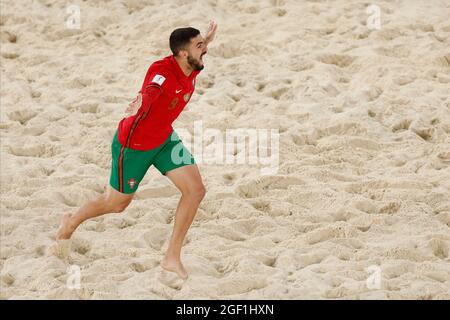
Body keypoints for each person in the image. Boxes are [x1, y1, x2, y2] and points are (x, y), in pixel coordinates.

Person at [52, 21, 218, 280]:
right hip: (134, 145)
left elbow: (197, 53)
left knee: (195, 190)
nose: (204, 50)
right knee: (116, 204)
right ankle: (70, 222)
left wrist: (204, 40)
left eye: (203, 46)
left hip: (164, 140)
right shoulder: (162, 71)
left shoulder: (191, 64)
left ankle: (171, 257)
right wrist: (140, 102)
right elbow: (152, 89)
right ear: (183, 53)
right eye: (199, 47)